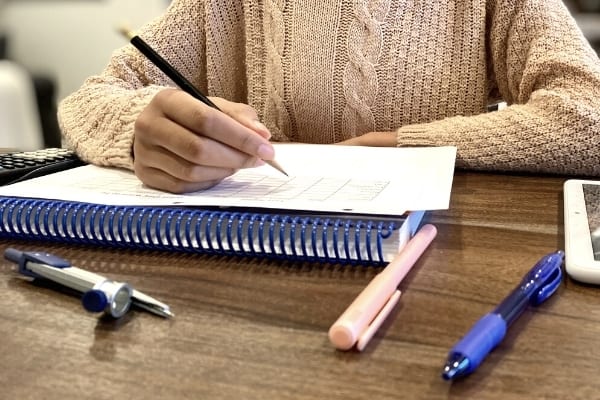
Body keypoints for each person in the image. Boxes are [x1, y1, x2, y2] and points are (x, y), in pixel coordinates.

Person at [58, 0, 600, 193]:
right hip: (251, 258)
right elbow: (88, 101)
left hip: (428, 256)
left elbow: (589, 115)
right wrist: (138, 130)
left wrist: (411, 144)